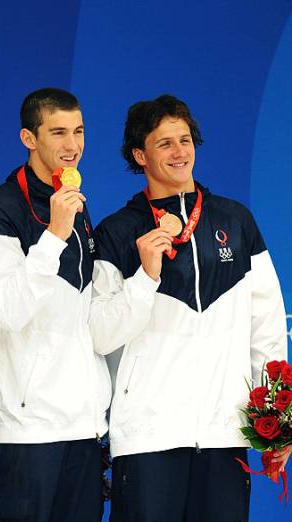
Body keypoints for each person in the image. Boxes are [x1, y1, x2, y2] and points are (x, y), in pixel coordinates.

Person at [90, 94, 290, 521]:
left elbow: (267, 328)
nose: (179, 152)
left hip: (224, 435)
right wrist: (145, 277)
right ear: (139, 154)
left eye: (185, 140)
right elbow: (101, 336)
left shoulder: (237, 222)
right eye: (164, 143)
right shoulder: (117, 232)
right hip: (147, 437)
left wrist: (275, 421)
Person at [0, 87, 110, 521]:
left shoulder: (76, 206)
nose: (73, 145)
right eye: (58, 133)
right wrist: (54, 235)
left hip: (84, 428)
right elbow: (8, 311)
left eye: (79, 132)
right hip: (26, 432)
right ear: (29, 139)